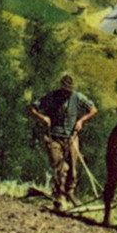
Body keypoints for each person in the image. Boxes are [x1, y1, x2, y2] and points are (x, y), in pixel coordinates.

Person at [28, 74, 97, 211]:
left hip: (71, 137)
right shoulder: (51, 96)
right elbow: (32, 108)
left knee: (72, 170)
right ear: (61, 87)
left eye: (70, 91)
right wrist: (43, 118)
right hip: (53, 137)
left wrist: (81, 121)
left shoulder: (77, 97)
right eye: (66, 90)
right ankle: (60, 197)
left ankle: (69, 192)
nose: (67, 93)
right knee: (60, 168)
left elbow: (93, 109)